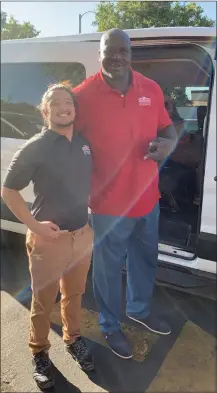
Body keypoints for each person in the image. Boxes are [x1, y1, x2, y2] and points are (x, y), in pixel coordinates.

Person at [73, 29, 177, 359]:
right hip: (108, 204)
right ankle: (109, 324)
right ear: (99, 52)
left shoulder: (151, 88)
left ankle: (139, 309)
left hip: (147, 198)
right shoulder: (82, 96)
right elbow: (62, 142)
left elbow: (168, 128)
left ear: (131, 53)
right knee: (107, 268)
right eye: (110, 50)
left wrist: (168, 145)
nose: (117, 56)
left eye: (124, 50)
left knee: (144, 260)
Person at [1, 83, 94, 390]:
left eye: (68, 102)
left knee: (75, 295)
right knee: (43, 302)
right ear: (45, 111)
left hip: (82, 236)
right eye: (55, 102)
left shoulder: (83, 143)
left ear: (75, 108)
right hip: (49, 241)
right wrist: (36, 227)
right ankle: (40, 353)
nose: (63, 106)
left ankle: (73, 338)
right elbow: (8, 190)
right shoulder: (35, 147)